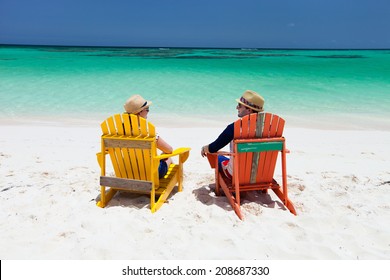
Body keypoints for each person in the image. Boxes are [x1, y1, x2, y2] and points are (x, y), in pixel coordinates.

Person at [201, 90, 265, 179]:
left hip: (237, 175)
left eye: (239, 105)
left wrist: (204, 148)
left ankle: (219, 186)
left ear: (249, 110)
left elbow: (213, 148)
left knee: (218, 157)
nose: (236, 108)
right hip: (261, 174)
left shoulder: (234, 128)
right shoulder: (268, 128)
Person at [124, 94, 173, 179]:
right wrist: (164, 156)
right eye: (147, 109)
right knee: (169, 159)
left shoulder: (118, 131)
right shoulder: (148, 133)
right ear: (140, 112)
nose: (148, 111)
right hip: (150, 174)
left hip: (127, 171)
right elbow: (169, 150)